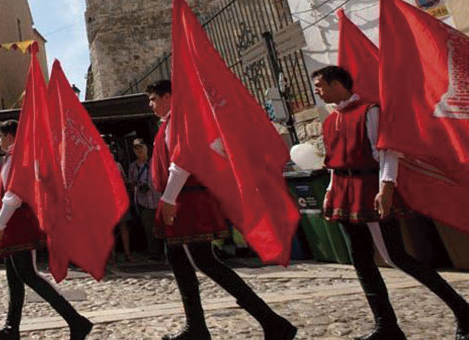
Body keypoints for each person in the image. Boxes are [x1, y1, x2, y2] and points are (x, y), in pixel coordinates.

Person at [313, 66, 469, 340]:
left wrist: (386, 187)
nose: (317, 90)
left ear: (337, 84)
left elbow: (386, 151)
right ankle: (386, 326)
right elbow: (334, 162)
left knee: (395, 257)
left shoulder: (370, 111)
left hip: (370, 189)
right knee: (360, 260)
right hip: (342, 192)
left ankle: (464, 311)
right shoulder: (329, 121)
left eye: (320, 85)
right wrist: (329, 191)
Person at [147, 80, 295, 340]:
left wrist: (169, 198)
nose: (151, 105)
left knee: (204, 261)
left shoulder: (181, 122)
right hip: (179, 198)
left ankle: (270, 320)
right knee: (180, 262)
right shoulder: (171, 123)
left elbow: (182, 161)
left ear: (168, 96)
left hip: (185, 200)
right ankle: (197, 327)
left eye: (153, 99)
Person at [0, 120, 92, 340]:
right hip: (12, 224)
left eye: (1, 135)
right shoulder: (12, 158)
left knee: (29, 275)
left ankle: (76, 320)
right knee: (14, 279)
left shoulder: (19, 158)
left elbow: (15, 193)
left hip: (18, 224)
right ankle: (11, 328)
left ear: (11, 136)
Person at [128, 138, 161, 261]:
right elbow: (131, 183)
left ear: (146, 148)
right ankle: (155, 253)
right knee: (149, 229)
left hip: (158, 198)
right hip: (144, 202)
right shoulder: (133, 167)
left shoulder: (155, 162)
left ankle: (168, 252)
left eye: (140, 147)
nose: (139, 150)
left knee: (164, 228)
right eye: (136, 149)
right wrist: (138, 185)